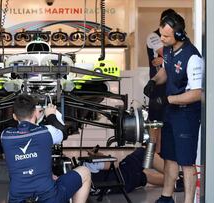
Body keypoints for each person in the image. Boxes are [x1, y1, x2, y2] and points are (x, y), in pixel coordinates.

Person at [143, 12, 203, 203]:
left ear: (178, 35)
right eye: (161, 34)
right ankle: (166, 197)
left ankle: (188, 201)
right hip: (170, 113)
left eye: (165, 36)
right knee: (169, 157)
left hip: (186, 116)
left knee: (186, 161)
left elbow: (197, 93)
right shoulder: (168, 50)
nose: (161, 39)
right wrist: (153, 81)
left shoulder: (193, 57)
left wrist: (168, 100)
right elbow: (165, 71)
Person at [1, 95, 91, 203]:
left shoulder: (5, 136)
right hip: (49, 198)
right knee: (85, 171)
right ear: (35, 112)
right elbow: (63, 132)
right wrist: (51, 115)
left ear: (14, 116)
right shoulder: (46, 132)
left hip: (18, 199)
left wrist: (35, 119)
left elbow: (26, 131)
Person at [85, 147, 184, 194]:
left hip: (122, 188)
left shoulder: (83, 187)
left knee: (143, 175)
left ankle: (177, 184)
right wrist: (99, 156)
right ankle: (177, 174)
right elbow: (113, 164)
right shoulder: (87, 165)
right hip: (123, 177)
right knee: (143, 153)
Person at [145, 9, 176, 153]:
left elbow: (173, 56)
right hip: (157, 85)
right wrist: (165, 58)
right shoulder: (153, 36)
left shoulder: (173, 38)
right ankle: (153, 157)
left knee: (166, 122)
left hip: (171, 85)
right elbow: (169, 53)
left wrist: (163, 60)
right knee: (155, 123)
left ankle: (162, 155)